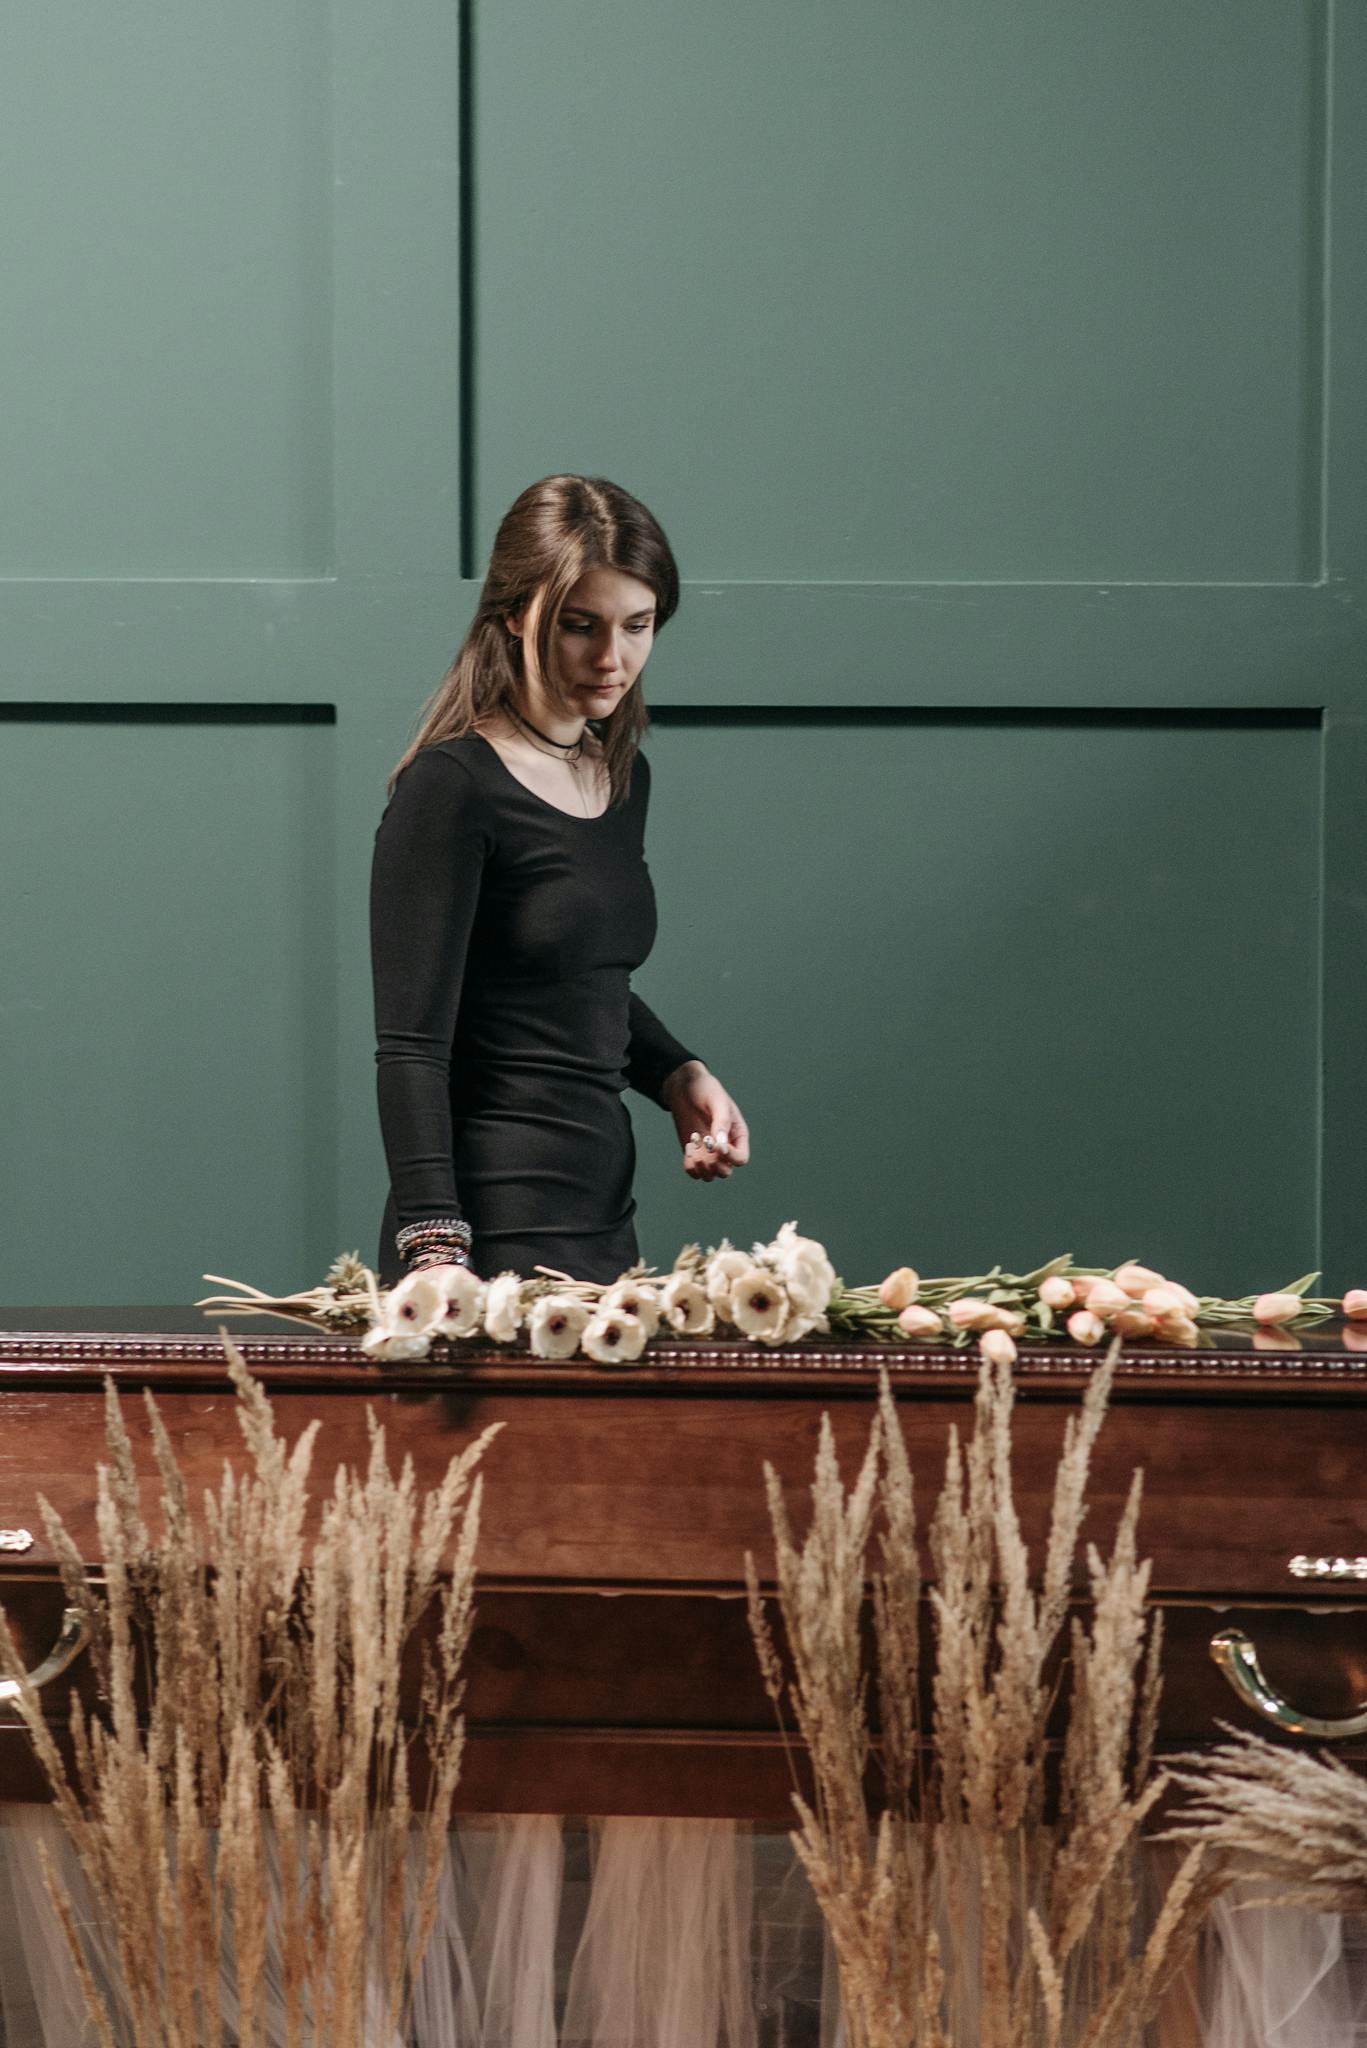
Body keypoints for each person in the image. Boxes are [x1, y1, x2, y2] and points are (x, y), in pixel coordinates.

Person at [370, 473, 750, 1288]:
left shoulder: (619, 775)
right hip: (483, 1233)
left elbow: (567, 977)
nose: (612, 659)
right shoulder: (450, 787)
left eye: (638, 626)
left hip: (602, 1218)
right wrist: (436, 1250)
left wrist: (677, 1072)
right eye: (580, 627)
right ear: (514, 613)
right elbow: (410, 1046)